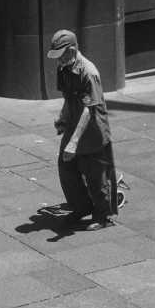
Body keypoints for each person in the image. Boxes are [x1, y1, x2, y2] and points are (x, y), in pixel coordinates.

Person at [46, 30, 118, 231]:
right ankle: (81, 206)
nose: (59, 60)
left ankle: (103, 216)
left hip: (92, 130)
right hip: (73, 124)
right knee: (66, 166)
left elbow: (89, 108)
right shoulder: (64, 68)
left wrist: (75, 141)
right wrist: (62, 118)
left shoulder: (89, 72)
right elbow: (69, 98)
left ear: (72, 49)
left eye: (62, 55)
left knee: (95, 173)